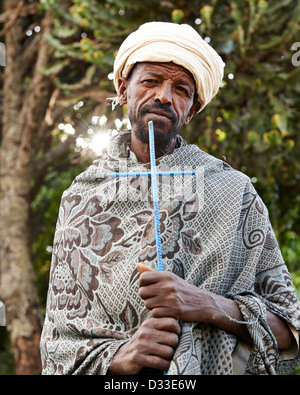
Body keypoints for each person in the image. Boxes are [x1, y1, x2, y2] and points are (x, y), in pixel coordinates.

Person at [40, 22, 300, 375]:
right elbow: (57, 344)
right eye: (150, 81)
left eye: (181, 89)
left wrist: (205, 304)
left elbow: (289, 331)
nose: (164, 96)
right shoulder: (82, 195)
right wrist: (122, 357)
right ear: (123, 89)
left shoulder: (233, 191)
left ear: (191, 110)